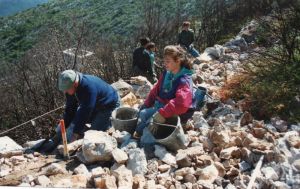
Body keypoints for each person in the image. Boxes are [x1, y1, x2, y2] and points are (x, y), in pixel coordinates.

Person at [41, 70, 120, 152]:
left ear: (75, 84)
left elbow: (86, 111)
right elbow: (70, 109)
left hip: (109, 104)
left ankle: (108, 124)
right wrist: (61, 128)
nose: (65, 92)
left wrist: (75, 135)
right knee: (74, 122)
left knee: (92, 136)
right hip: (95, 104)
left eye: (66, 90)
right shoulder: (71, 86)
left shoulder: (88, 87)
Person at [133, 45, 196, 138]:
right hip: (165, 106)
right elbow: (156, 90)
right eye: (164, 61)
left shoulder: (184, 79)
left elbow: (182, 103)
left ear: (178, 61)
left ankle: (180, 125)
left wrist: (162, 114)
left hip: (178, 111)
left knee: (146, 128)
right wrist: (146, 104)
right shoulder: (167, 73)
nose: (165, 64)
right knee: (142, 113)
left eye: (168, 61)